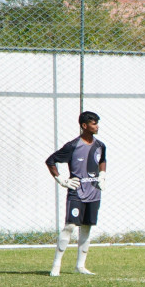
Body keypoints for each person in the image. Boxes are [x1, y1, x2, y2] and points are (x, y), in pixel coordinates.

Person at [45, 110, 107, 277]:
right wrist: (62, 180)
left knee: (87, 227)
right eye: (94, 123)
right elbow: (50, 161)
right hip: (77, 193)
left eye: (97, 123)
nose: (97, 126)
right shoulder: (73, 146)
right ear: (84, 125)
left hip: (94, 192)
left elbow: (102, 160)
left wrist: (102, 175)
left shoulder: (100, 145)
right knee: (70, 226)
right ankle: (56, 264)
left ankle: (80, 265)